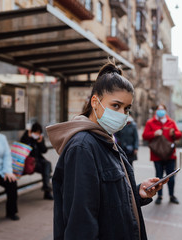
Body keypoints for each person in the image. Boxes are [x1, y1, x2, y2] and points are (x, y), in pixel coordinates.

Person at [46, 61, 166, 240]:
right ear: (95, 102)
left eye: (127, 108)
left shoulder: (105, 138)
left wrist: (137, 192)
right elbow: (80, 223)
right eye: (116, 106)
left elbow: (106, 202)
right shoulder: (83, 147)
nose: (122, 114)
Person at [142, 104, 182, 205]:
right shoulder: (150, 122)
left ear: (165, 111)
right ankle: (159, 196)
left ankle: (172, 195)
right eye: (159, 110)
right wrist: (154, 133)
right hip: (157, 155)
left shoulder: (171, 122)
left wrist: (174, 133)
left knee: (171, 177)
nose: (160, 111)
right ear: (156, 111)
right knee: (158, 177)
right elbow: (144, 136)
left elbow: (179, 135)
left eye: (162, 110)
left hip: (170, 154)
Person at [20, 122, 53, 200]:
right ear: (32, 131)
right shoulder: (27, 136)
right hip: (29, 162)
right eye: (36, 132)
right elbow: (22, 148)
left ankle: (46, 187)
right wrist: (28, 138)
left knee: (47, 165)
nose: (37, 134)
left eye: (39, 133)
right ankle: (47, 190)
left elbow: (44, 150)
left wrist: (40, 142)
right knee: (46, 168)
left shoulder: (39, 138)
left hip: (38, 161)